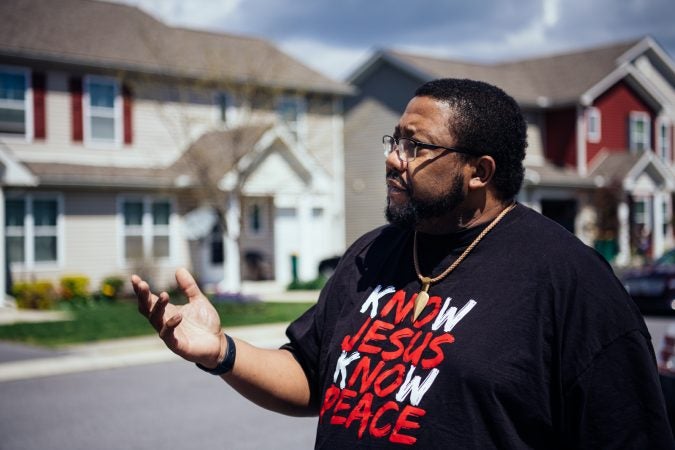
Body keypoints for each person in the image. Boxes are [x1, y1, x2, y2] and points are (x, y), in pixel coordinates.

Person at [132, 78, 674, 448]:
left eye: (416, 147)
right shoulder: (370, 255)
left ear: (478, 171)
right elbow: (311, 378)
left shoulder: (567, 279)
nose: (394, 157)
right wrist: (220, 352)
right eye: (396, 140)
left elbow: (627, 432)